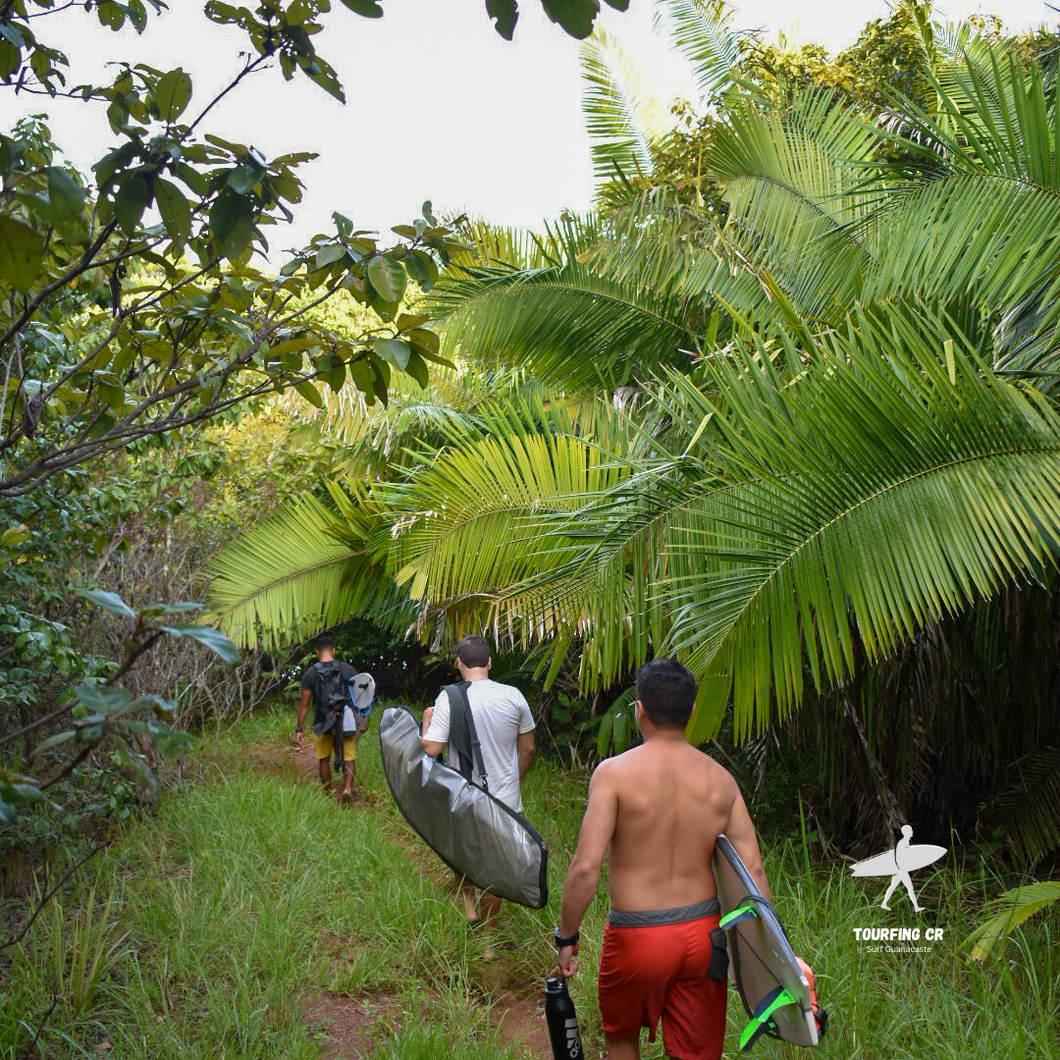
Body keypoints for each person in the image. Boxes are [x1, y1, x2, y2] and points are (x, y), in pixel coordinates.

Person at [555, 658, 772, 1060]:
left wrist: (567, 936)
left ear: (639, 709)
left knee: (621, 1039)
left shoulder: (614, 774)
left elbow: (586, 868)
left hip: (636, 937)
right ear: (692, 711)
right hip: (704, 938)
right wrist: (756, 959)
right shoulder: (721, 780)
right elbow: (753, 871)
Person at [420, 634, 536, 943]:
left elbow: (431, 749)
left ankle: (470, 908)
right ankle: (488, 941)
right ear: (489, 662)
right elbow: (528, 750)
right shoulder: (514, 696)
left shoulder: (449, 698)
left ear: (459, 663)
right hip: (506, 802)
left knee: (462, 854)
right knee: (494, 869)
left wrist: (426, 720)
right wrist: (515, 781)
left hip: (465, 797)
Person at [295, 635, 362, 804]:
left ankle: (328, 796)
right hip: (345, 719)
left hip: (323, 721)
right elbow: (360, 697)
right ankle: (347, 788)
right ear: (334, 650)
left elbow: (304, 703)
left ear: (317, 652)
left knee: (323, 759)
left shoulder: (310, 674)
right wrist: (363, 720)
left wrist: (299, 729)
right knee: (349, 758)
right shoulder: (347, 669)